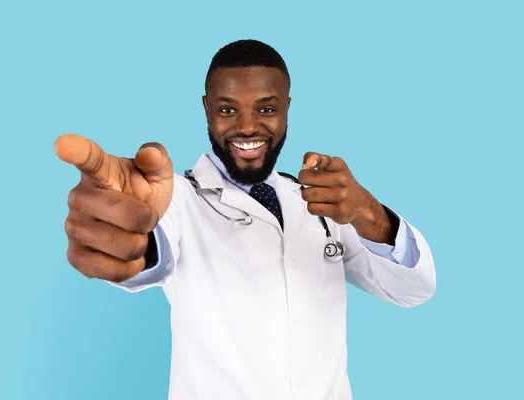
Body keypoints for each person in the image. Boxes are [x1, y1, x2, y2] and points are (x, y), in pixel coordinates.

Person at [54, 39, 436, 400]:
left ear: (287, 107)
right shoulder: (178, 199)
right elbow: (149, 246)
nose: (249, 126)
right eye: (227, 109)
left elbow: (413, 290)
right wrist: (128, 236)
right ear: (206, 108)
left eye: (266, 109)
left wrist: (367, 212)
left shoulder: (323, 205)